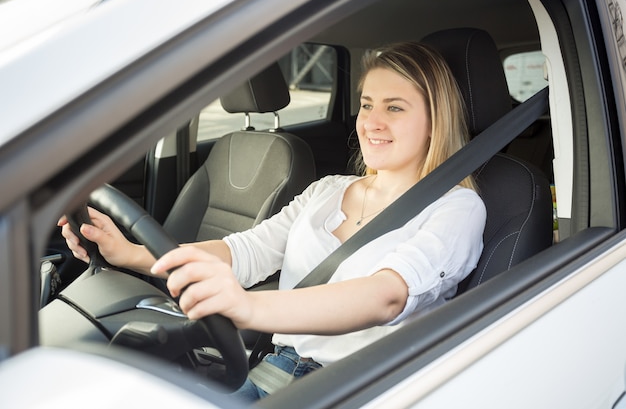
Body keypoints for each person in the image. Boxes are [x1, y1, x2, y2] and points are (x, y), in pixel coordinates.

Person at [59, 41, 486, 401]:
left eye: (395, 108)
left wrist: (247, 308)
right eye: (366, 104)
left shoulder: (457, 207)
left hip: (362, 386)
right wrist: (132, 254)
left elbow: (386, 296)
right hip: (274, 370)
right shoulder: (329, 189)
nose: (371, 122)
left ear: (434, 121)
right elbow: (246, 251)